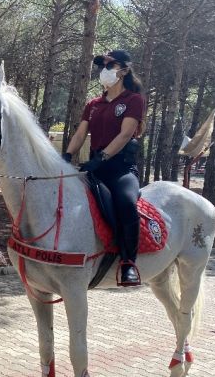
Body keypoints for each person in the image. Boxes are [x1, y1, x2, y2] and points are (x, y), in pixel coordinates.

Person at [64, 50, 145, 286]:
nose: (105, 70)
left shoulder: (133, 100)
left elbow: (125, 134)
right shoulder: (94, 104)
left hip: (120, 170)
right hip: (94, 169)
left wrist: (102, 158)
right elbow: (81, 133)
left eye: (111, 65)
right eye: (103, 65)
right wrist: (67, 155)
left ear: (125, 70)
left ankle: (129, 263)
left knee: (127, 204)